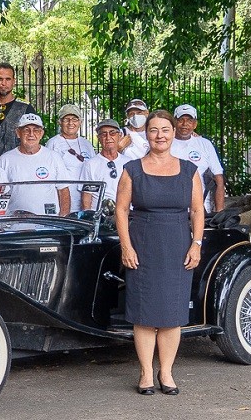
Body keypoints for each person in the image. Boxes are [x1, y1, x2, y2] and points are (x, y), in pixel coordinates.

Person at [115, 109, 204, 396]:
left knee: (171, 312)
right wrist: (126, 246)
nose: (160, 135)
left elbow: (198, 210)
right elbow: (120, 210)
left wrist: (197, 243)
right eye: (154, 130)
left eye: (165, 129)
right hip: (142, 244)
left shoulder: (189, 170)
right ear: (147, 134)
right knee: (144, 314)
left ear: (173, 132)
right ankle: (145, 374)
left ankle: (166, 372)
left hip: (178, 245)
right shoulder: (132, 169)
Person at [0, 113, 73, 216]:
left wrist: (63, 219)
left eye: (36, 130)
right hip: (15, 225)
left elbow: (63, 190)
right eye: (26, 130)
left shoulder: (54, 157)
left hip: (48, 224)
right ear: (18, 133)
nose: (31, 134)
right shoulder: (5, 160)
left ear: (41, 134)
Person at [171, 104, 226, 212]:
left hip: (200, 208)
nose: (184, 124)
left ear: (195, 124)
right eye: (181, 120)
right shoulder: (165, 142)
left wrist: (219, 211)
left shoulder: (205, 144)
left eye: (189, 120)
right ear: (174, 122)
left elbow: (218, 179)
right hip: (170, 209)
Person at [0, 63, 36, 164]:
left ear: (14, 81)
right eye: (0, 79)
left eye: (8, 79)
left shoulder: (25, 108)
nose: (4, 83)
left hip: (17, 165)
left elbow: (33, 139)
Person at [46, 103, 96, 212]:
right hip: (63, 200)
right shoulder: (53, 143)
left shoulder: (86, 144)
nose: (70, 123)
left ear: (80, 122)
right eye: (66, 119)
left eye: (74, 119)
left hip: (85, 200)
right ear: (60, 122)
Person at [79, 118, 130, 210]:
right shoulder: (90, 164)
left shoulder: (129, 162)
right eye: (103, 134)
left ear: (120, 136)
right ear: (98, 138)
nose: (108, 137)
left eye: (112, 133)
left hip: (125, 214)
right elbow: (87, 196)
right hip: (100, 217)